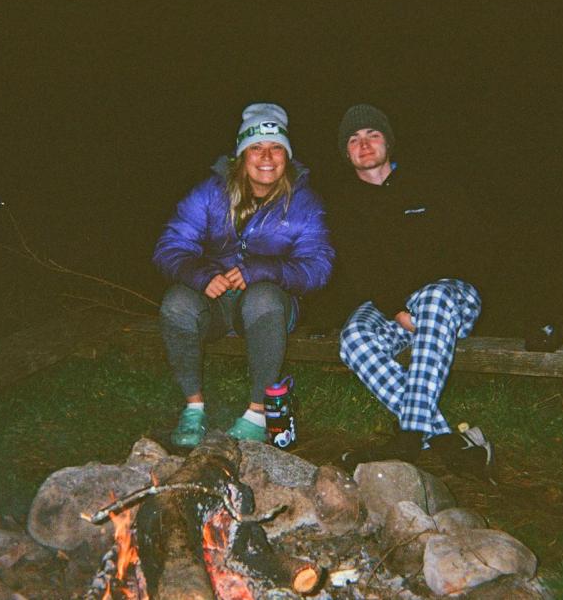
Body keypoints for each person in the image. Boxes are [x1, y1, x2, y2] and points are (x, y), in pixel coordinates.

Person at [327, 103, 495, 480]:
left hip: (449, 299)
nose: (364, 144)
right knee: (354, 337)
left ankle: (407, 437)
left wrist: (436, 290)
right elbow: (358, 271)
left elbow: (473, 245)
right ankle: (443, 439)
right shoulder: (343, 206)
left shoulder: (430, 185)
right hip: (392, 306)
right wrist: (396, 310)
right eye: (353, 139)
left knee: (434, 299)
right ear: (346, 152)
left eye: (372, 134)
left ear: (389, 141)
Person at [153, 103, 334, 448]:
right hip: (217, 302)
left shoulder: (304, 202)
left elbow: (319, 266)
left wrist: (263, 270)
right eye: (256, 147)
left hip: (272, 305)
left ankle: (257, 413)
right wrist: (201, 275)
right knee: (176, 302)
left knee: (262, 297)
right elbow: (170, 244)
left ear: (287, 155)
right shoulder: (209, 192)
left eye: (276, 147)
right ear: (241, 155)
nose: (267, 156)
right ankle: (193, 409)